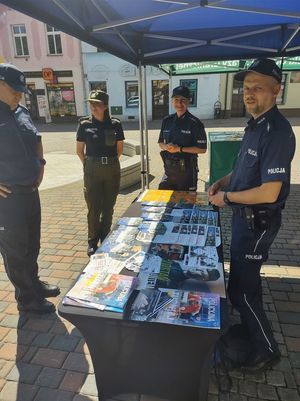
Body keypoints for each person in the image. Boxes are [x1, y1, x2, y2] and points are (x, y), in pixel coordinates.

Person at [208, 58, 296, 372]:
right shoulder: (255, 125)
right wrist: (223, 181)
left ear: (276, 91)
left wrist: (226, 197)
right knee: (244, 285)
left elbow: (270, 191)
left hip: (258, 222)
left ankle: (266, 348)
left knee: (242, 288)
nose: (249, 93)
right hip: (244, 219)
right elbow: (244, 169)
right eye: (246, 88)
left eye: (258, 88)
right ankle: (248, 328)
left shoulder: (277, 131)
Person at [0, 63, 60, 314]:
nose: (19, 94)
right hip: (7, 198)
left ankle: (34, 283)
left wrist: (42, 165)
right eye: (14, 89)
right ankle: (26, 299)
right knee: (15, 251)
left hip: (31, 192)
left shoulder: (22, 111)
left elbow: (36, 139)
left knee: (32, 244)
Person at [76, 90, 124, 256]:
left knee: (108, 206)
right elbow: (79, 150)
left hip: (111, 168)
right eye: (92, 104)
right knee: (94, 207)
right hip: (92, 169)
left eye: (97, 104)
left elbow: (119, 149)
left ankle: (105, 236)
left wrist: (108, 162)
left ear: (105, 106)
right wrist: (89, 165)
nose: (94, 107)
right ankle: (92, 241)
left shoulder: (115, 124)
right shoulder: (84, 125)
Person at [158, 86, 207, 191]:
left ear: (188, 102)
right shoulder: (167, 120)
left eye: (183, 100)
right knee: (163, 199)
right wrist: (166, 147)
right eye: (176, 100)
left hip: (187, 172)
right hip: (169, 170)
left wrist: (179, 149)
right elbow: (160, 143)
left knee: (187, 203)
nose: (179, 104)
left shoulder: (195, 123)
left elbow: (202, 149)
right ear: (172, 101)